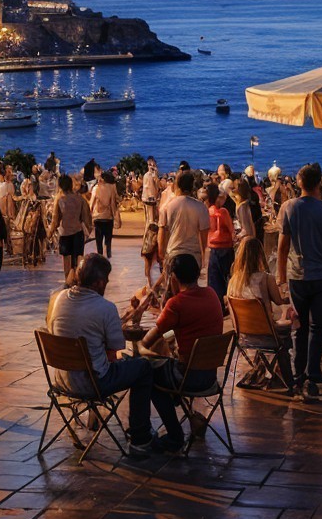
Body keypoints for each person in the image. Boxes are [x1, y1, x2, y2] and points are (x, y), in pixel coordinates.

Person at [47, 252, 160, 457]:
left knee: (123, 362)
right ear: (99, 282)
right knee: (143, 367)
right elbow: (116, 347)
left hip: (62, 380)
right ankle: (140, 437)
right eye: (106, 281)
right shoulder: (105, 308)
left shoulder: (58, 298)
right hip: (92, 382)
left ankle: (119, 426)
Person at [129, 251, 225, 453]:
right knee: (161, 363)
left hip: (187, 377)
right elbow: (182, 329)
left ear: (173, 278)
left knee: (146, 373)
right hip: (209, 375)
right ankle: (178, 414)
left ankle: (170, 435)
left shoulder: (177, 304)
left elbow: (147, 341)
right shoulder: (211, 295)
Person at [276, 163, 322, 400]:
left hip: (297, 277)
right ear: (319, 184)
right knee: (318, 327)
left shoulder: (289, 208)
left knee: (298, 326)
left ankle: (296, 377)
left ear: (299, 183)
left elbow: (282, 247)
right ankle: (312, 376)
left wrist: (281, 278)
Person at [229, 233, 293, 391]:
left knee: (276, 323)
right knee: (290, 326)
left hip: (244, 336)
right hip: (267, 335)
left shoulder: (233, 281)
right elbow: (279, 301)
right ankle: (290, 381)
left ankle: (262, 368)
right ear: (260, 254)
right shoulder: (265, 278)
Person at [160, 169, 210, 290]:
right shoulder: (201, 207)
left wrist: (162, 255)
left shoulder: (167, 207)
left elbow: (162, 233)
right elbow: (204, 238)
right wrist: (203, 261)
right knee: (191, 292)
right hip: (194, 256)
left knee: (172, 294)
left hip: (173, 254)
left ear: (177, 185)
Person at [48, 173, 90, 282]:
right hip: (78, 232)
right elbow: (86, 218)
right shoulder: (80, 199)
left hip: (65, 234)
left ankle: (68, 284)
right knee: (78, 261)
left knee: (67, 262)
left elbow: (55, 220)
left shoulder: (60, 199)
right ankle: (78, 283)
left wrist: (49, 233)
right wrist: (89, 230)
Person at [204, 182, 235, 301]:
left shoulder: (207, 211)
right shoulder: (223, 212)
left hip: (213, 248)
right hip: (226, 247)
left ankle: (216, 304)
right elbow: (231, 229)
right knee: (227, 278)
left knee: (214, 280)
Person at [89, 168, 119, 259]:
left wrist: (89, 218)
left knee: (99, 241)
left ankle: (100, 258)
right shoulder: (111, 189)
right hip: (108, 218)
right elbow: (113, 205)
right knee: (108, 241)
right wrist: (115, 217)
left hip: (98, 218)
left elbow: (91, 205)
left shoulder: (95, 189)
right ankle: (109, 258)